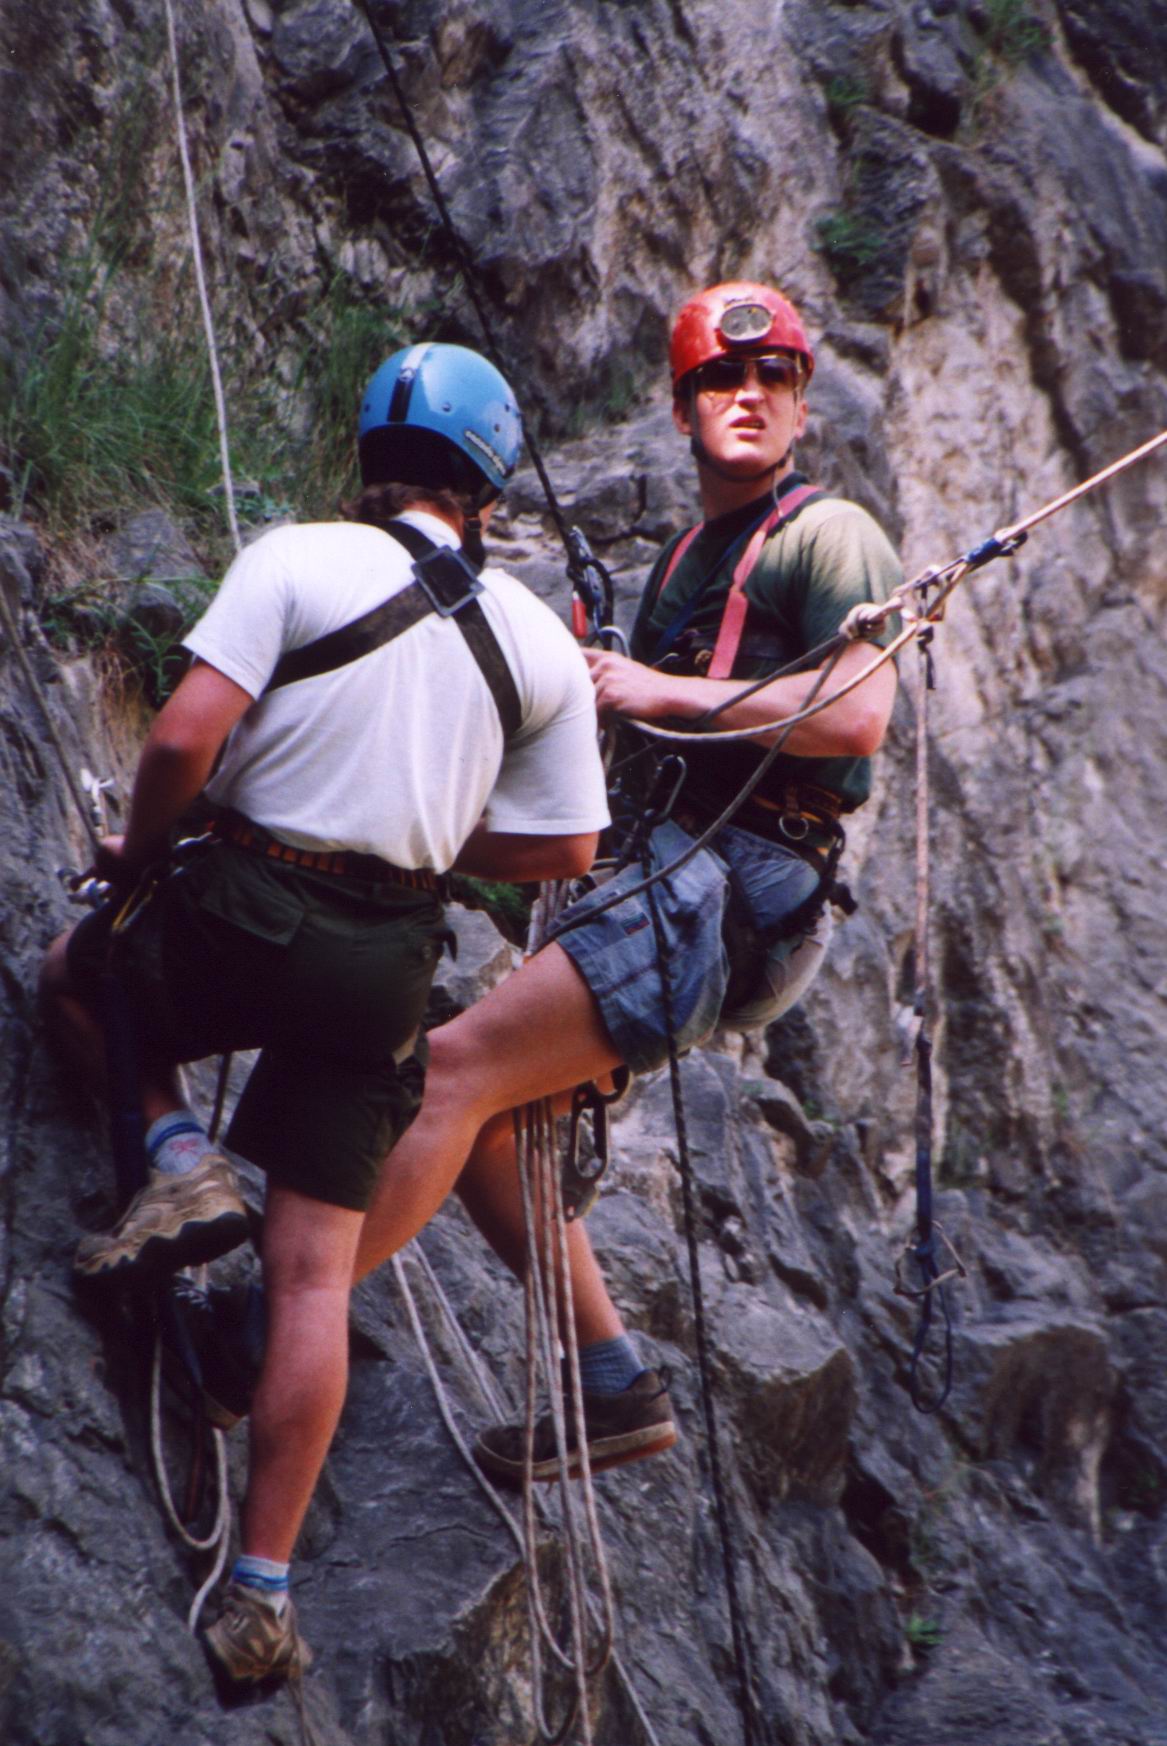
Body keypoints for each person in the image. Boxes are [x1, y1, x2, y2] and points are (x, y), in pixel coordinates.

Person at [38, 341, 611, 1685]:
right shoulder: (537, 641)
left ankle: (178, 1156)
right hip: (387, 952)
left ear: (370, 457)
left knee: (77, 975)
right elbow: (570, 846)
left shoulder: (298, 558)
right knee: (309, 1275)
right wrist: (434, 828)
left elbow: (182, 739)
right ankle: (262, 1590)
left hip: (248, 895)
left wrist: (139, 855)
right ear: (487, 485)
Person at [340, 280, 902, 1483]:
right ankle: (610, 1382)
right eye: (719, 378)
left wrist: (662, 690)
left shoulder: (829, 534)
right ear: (683, 405)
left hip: (740, 881)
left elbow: (857, 713)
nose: (747, 396)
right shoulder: (692, 558)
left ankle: (273, 1326)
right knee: (490, 1107)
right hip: (675, 872)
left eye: (773, 377)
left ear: (803, 404)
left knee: (453, 1071)